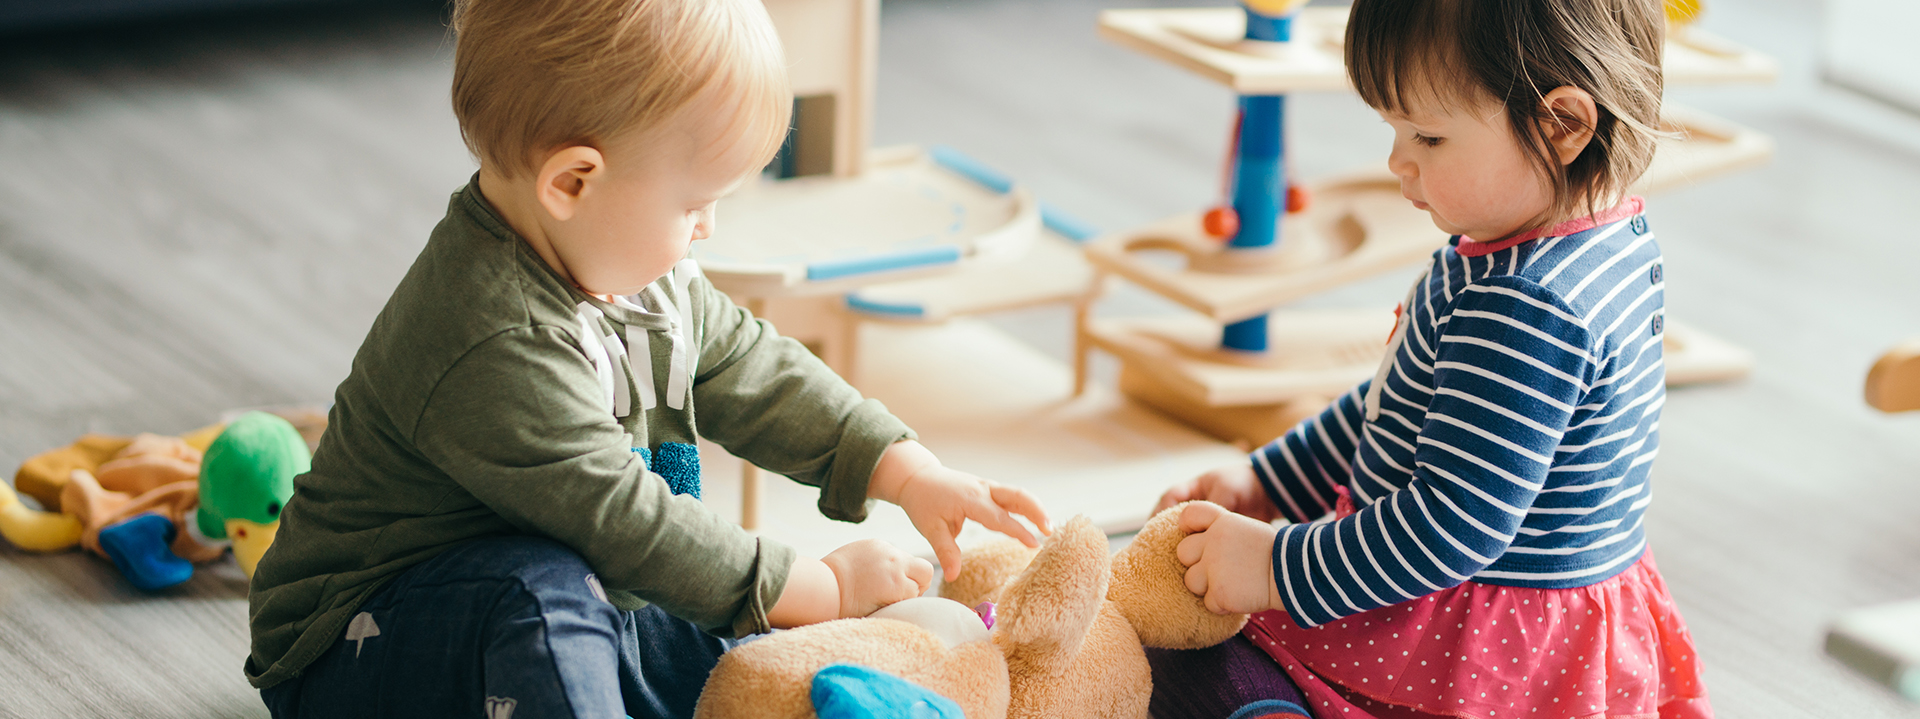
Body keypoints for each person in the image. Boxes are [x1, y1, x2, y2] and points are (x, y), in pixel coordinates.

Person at [243, 1, 1051, 717]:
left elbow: (747, 363)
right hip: (354, 643)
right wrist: (821, 588)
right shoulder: (493, 337)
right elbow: (631, 527)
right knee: (546, 595)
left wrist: (899, 468)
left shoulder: (633, 268)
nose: (707, 230)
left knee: (688, 625)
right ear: (573, 182)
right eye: (694, 205)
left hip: (577, 566)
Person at [1149, 0, 1711, 717]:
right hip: (1535, 617)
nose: (1397, 162)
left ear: (1562, 125)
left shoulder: (1525, 304)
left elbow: (1448, 523)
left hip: (1475, 652)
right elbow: (1396, 405)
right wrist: (1268, 478)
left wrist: (1275, 566)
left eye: (1427, 136)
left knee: (1189, 654)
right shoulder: (1583, 239)